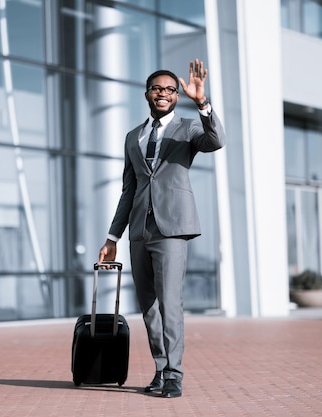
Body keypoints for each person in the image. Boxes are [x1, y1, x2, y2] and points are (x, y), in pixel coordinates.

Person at [98, 58, 226, 398]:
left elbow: (216, 141)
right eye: (157, 88)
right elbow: (129, 189)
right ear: (147, 94)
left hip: (172, 228)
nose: (163, 93)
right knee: (148, 305)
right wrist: (113, 236)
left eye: (170, 89)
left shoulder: (188, 128)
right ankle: (159, 368)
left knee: (170, 302)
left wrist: (202, 103)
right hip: (140, 230)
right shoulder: (132, 137)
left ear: (176, 96)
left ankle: (174, 374)